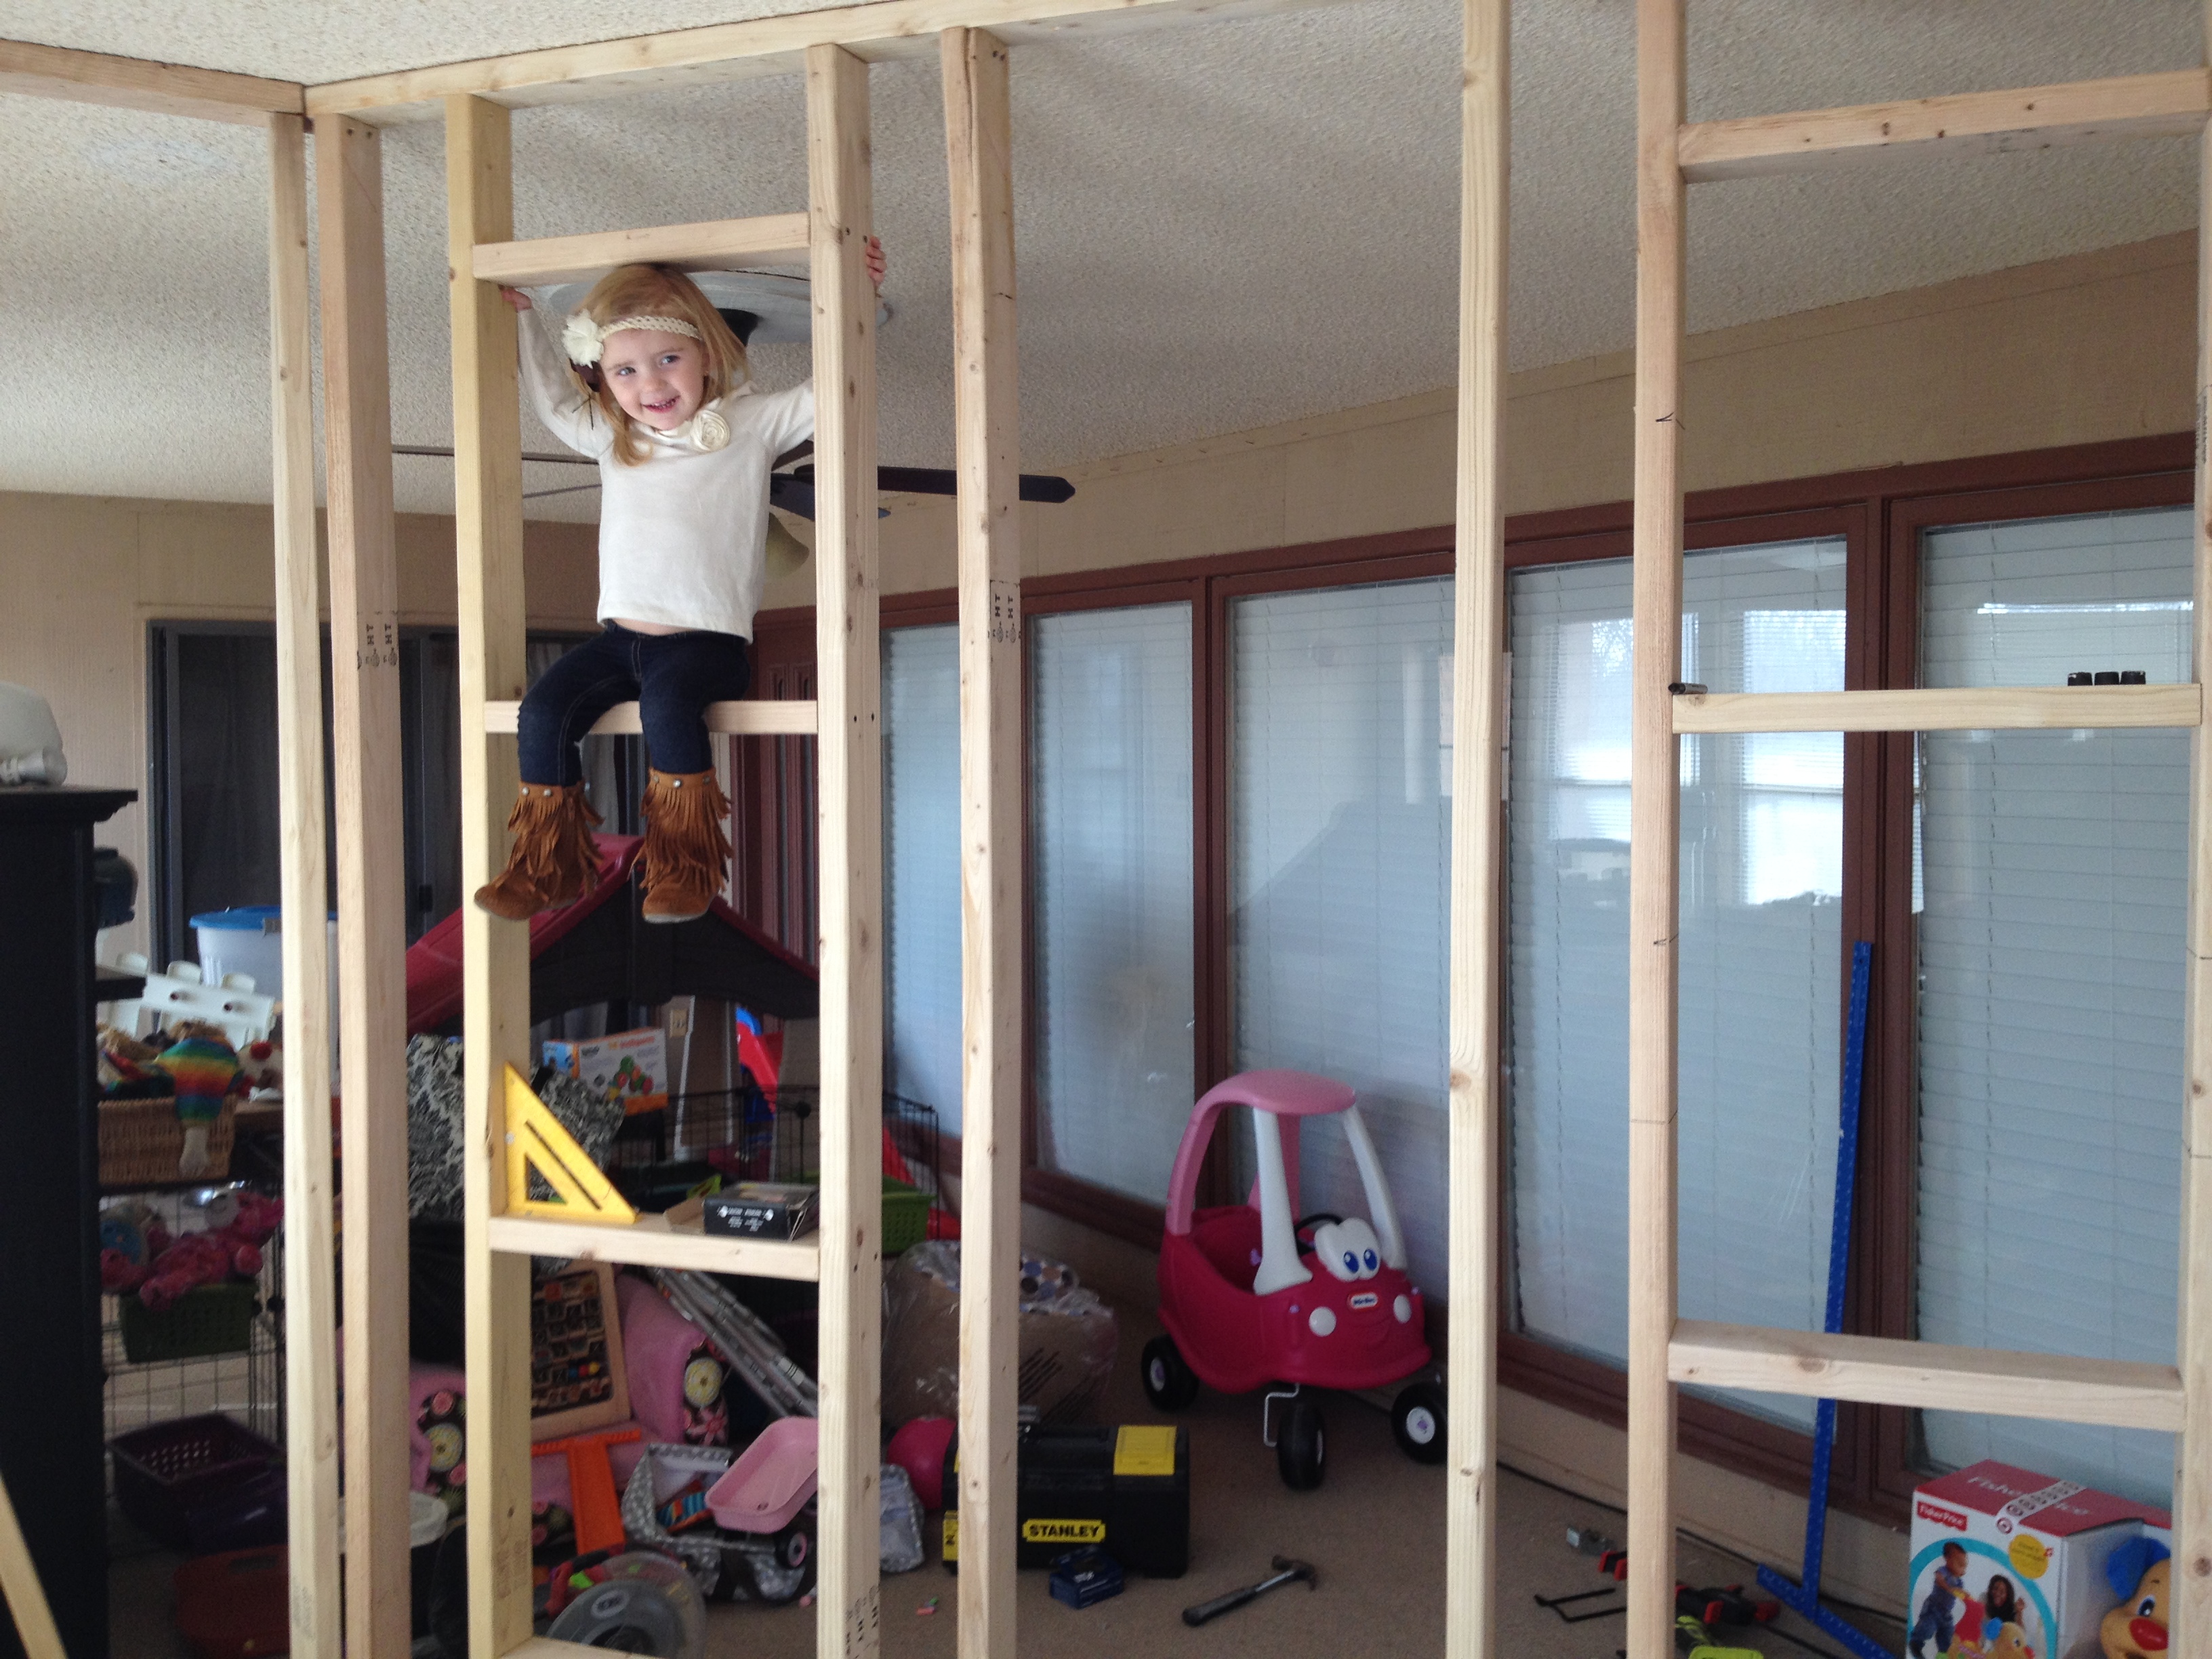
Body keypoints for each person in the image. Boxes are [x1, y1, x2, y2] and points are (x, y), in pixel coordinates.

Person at [474, 246, 884, 924]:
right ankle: (545, 866)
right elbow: (552, 404)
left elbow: (835, 388)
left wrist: (856, 300)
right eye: (625, 371)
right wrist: (525, 323)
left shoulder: (750, 425)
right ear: (605, 381)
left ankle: (683, 868)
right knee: (543, 712)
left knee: (669, 714)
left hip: (704, 644)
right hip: (619, 642)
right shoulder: (615, 437)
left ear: (709, 359)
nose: (650, 384)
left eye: (669, 360)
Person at [1910, 1540, 1971, 1659]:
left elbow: (1961, 1594)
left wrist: (1966, 1597)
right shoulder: (1943, 1571)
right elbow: (1939, 1580)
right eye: (1960, 1564)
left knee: (1948, 1635)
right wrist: (1949, 1588)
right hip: (1933, 1608)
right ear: (1947, 1560)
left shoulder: (1959, 1582)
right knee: (1927, 1628)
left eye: (1964, 1566)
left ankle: (1943, 1654)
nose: (1963, 1569)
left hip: (1946, 1614)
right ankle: (1916, 1643)